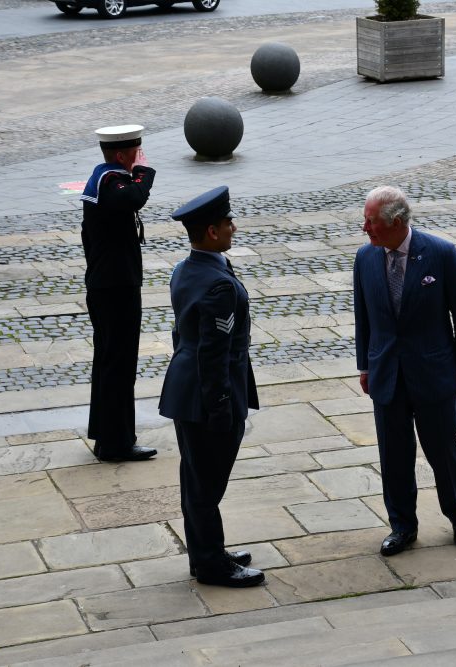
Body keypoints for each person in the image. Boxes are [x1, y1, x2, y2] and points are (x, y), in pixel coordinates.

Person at [353, 185, 456, 557]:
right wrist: (365, 365)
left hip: (433, 372)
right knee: (393, 454)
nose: (365, 228)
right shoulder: (365, 258)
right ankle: (402, 526)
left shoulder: (440, 254)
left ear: (395, 222)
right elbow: (364, 317)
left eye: (371, 221)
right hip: (386, 373)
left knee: (443, 449)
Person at [158, 186, 264, 588]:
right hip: (209, 395)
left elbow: (180, 333)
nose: (233, 228)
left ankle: (206, 552)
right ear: (211, 231)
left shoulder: (186, 270)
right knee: (206, 483)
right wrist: (221, 406)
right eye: (227, 223)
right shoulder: (218, 285)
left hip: (186, 390)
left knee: (196, 477)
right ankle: (210, 564)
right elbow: (215, 353)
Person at [81, 124, 157, 463]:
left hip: (110, 284)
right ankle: (116, 443)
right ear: (123, 154)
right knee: (118, 365)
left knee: (112, 363)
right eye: (137, 152)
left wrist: (136, 171)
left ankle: (109, 437)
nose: (141, 157)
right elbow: (134, 197)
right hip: (115, 288)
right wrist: (143, 171)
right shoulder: (110, 180)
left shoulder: (106, 177)